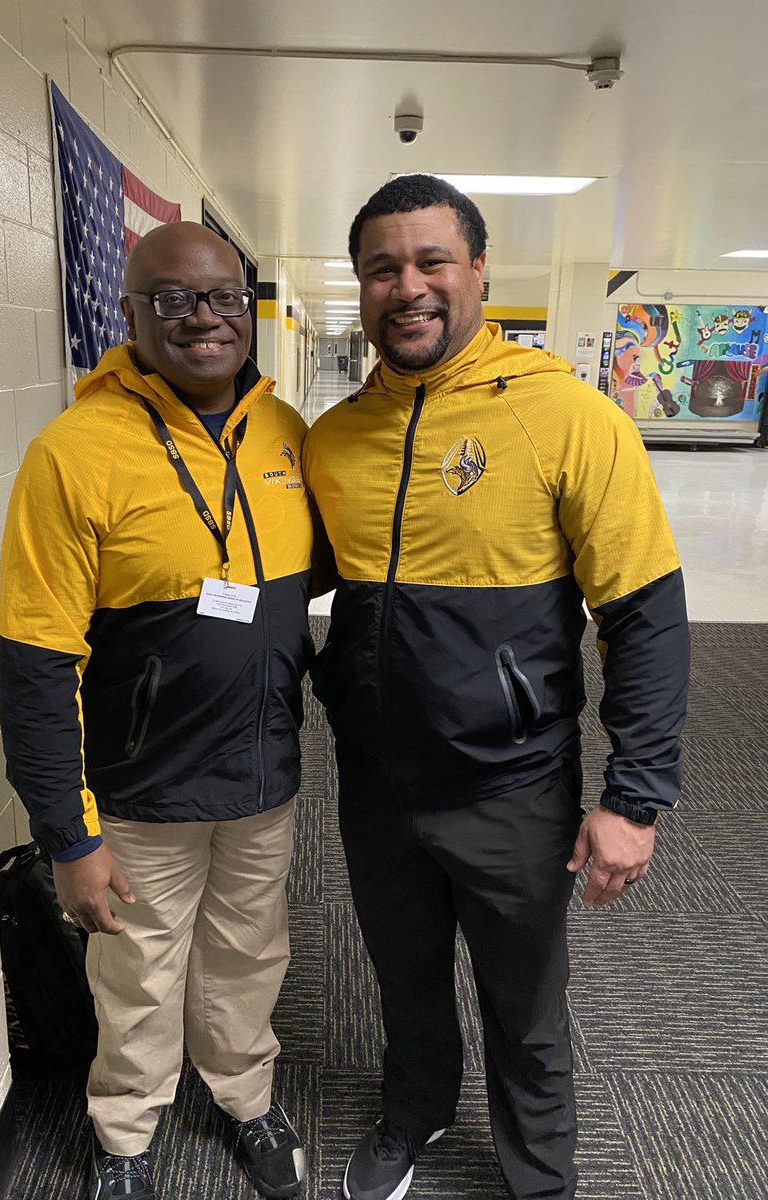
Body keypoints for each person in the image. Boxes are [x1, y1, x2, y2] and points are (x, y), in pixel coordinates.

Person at [302, 175, 689, 1200]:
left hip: (511, 785)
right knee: (405, 976)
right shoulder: (334, 439)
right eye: (383, 267)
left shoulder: (567, 417)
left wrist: (634, 798)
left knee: (524, 1001)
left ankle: (542, 1174)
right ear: (361, 286)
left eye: (433, 261)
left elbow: (644, 615)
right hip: (378, 781)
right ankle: (417, 1110)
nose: (409, 286)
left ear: (479, 270)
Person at [0, 222, 314, 1200]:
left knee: (249, 955)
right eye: (174, 299)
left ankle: (247, 1097)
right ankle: (126, 1136)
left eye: (225, 298)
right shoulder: (73, 453)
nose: (205, 317)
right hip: (140, 787)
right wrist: (68, 835)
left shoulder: (286, 433)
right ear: (130, 314)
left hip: (262, 776)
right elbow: (34, 662)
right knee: (136, 973)